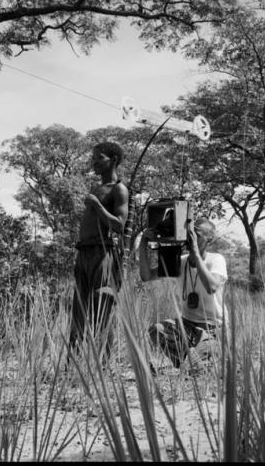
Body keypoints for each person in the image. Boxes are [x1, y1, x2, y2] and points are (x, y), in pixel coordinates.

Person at [140, 217, 228, 375]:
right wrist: (143, 243)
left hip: (213, 328)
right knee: (156, 331)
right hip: (187, 325)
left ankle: (205, 358)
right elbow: (146, 276)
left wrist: (195, 252)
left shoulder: (216, 259)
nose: (190, 237)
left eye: (197, 234)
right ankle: (186, 361)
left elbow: (212, 286)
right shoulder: (181, 261)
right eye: (189, 233)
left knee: (194, 366)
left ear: (209, 239)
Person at [67, 141, 129, 365]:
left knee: (102, 309)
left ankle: (104, 366)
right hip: (84, 253)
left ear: (112, 160)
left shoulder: (119, 189)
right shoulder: (96, 188)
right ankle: (71, 365)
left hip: (104, 255)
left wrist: (97, 206)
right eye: (93, 157)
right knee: (78, 309)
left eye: (99, 158)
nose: (94, 161)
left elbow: (120, 225)